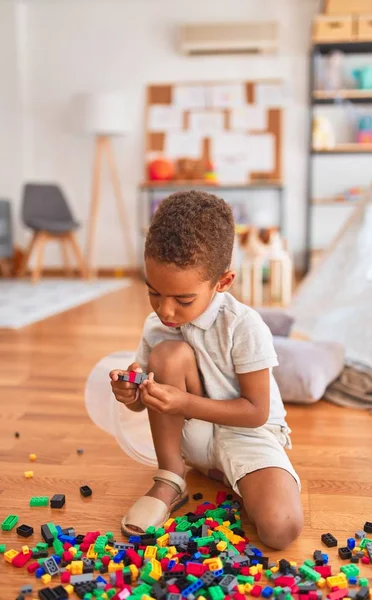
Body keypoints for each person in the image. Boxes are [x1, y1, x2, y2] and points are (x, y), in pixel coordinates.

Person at [109, 190, 303, 549]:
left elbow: (256, 412)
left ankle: (225, 471)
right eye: (154, 292)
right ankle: (171, 476)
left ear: (223, 283)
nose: (166, 311)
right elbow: (149, 403)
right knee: (167, 356)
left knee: (282, 528)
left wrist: (183, 403)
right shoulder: (157, 326)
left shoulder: (244, 326)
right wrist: (131, 396)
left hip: (247, 433)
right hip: (193, 435)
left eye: (183, 300)